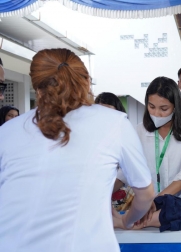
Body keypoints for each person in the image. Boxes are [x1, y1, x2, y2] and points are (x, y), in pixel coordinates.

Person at [0, 48, 154, 252]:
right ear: (86, 82)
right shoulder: (113, 123)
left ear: (37, 87)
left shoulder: (8, 130)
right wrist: (127, 221)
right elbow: (145, 194)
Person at [116, 77, 181, 199]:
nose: (156, 113)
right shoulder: (139, 131)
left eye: (164, 109)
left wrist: (157, 201)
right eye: (151, 106)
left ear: (175, 107)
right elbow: (126, 170)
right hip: (147, 203)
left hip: (178, 203)